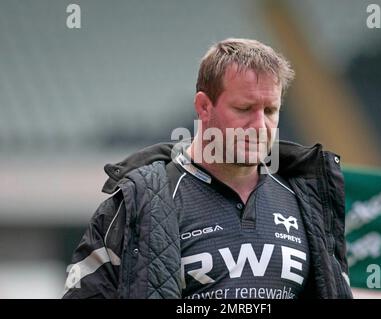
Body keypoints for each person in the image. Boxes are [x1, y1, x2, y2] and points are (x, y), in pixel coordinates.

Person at [62, 38, 353, 299]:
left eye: (270, 111)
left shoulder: (309, 199)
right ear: (204, 106)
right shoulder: (135, 203)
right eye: (244, 109)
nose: (260, 126)